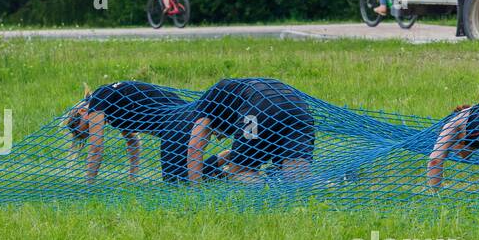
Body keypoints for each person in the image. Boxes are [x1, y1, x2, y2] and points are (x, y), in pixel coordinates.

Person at [183, 78, 315, 184]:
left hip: (258, 106)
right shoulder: (233, 91)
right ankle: (330, 185)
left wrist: (196, 191)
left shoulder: (206, 103)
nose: (217, 138)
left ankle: (266, 189)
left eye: (213, 133)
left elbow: (195, 146)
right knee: (297, 174)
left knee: (240, 171)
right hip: (299, 108)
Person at [65, 81, 193, 183]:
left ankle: (214, 165)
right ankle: (214, 164)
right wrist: (133, 177)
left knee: (174, 181)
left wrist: (89, 185)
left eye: (88, 127)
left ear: (83, 112)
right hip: (181, 119)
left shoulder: (98, 100)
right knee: (178, 177)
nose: (93, 129)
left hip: (176, 121)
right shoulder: (113, 105)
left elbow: (96, 148)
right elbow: (133, 142)